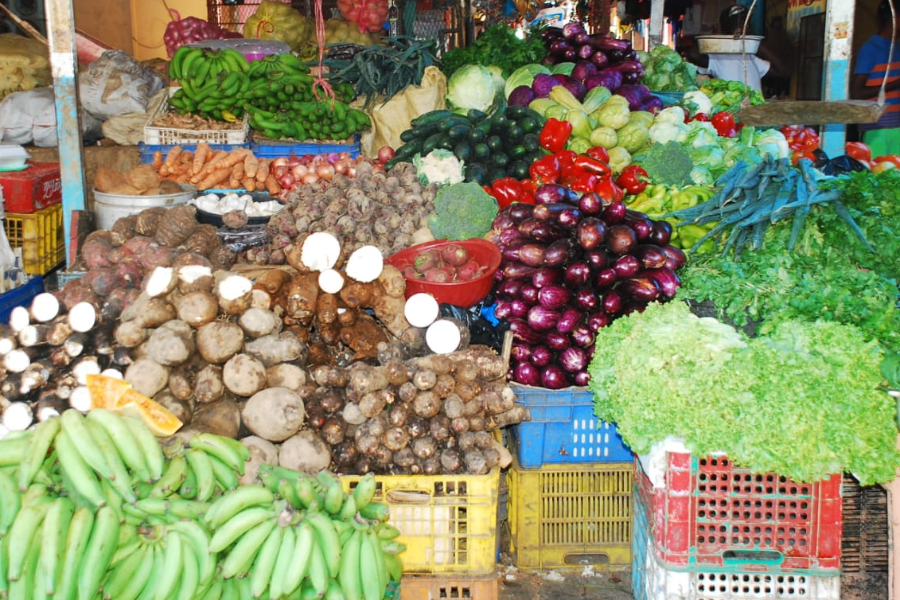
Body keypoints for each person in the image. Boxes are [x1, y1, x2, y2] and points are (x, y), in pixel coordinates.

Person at [689, 4, 783, 94]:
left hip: (755, 110)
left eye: (747, 25)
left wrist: (756, 45)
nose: (745, 29)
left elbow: (781, 71)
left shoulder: (750, 56)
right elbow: (693, 55)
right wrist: (720, 38)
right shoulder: (717, 57)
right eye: (737, 26)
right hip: (732, 110)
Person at [851, 0, 900, 158]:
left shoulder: (897, 48)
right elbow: (857, 93)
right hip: (876, 128)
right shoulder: (870, 48)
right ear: (895, 18)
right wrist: (894, 85)